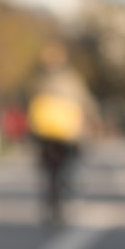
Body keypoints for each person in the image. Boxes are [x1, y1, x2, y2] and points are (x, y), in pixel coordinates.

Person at [28, 43, 99, 226]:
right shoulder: (71, 79)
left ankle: (53, 205)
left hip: (48, 135)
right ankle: (62, 203)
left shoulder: (38, 80)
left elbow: (31, 106)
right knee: (66, 171)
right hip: (65, 135)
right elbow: (85, 102)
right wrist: (93, 121)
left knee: (51, 173)